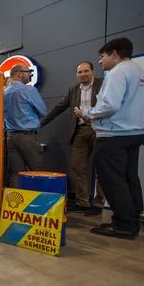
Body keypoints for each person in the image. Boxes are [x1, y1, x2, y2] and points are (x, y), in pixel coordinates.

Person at [75, 37, 144, 240]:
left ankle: (123, 225)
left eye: (102, 56)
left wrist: (86, 113)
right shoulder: (139, 72)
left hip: (114, 134)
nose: (100, 62)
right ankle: (131, 220)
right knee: (129, 179)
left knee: (113, 181)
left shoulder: (117, 72)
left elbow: (109, 105)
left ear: (114, 54)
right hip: (133, 132)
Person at [40, 62, 106, 216]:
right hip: (80, 131)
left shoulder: (103, 84)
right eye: (80, 72)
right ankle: (82, 201)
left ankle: (98, 203)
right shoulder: (74, 90)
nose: (83, 74)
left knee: (102, 167)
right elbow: (59, 107)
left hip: (100, 129)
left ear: (93, 72)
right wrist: (40, 123)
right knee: (77, 166)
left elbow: (110, 105)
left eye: (86, 71)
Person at [4, 63, 48, 187]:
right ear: (19, 73)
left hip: (10, 137)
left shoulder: (4, 92)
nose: (30, 74)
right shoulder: (28, 89)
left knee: (16, 173)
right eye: (28, 72)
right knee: (38, 171)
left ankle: (16, 203)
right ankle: (38, 203)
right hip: (27, 137)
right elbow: (43, 111)